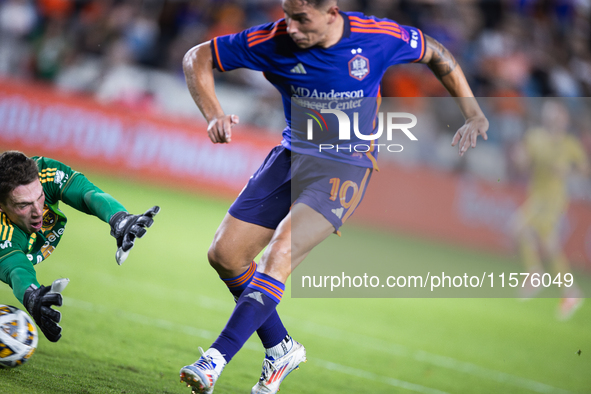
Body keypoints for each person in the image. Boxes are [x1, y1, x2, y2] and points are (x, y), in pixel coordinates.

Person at [179, 1, 489, 393]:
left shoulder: (377, 37)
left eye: (301, 19)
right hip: (292, 156)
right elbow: (198, 56)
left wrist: (473, 112)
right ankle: (281, 348)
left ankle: (214, 359)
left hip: (345, 165)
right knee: (224, 255)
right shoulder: (272, 39)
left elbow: (436, 52)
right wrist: (212, 113)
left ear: (331, 12)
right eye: (287, 15)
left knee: (280, 253)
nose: (290, 27)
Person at [0, 151, 159, 342]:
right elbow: (15, 267)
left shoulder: (45, 172)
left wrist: (118, 217)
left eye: (40, 197)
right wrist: (31, 294)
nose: (37, 210)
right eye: (23, 205)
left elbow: (85, 193)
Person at [513, 99, 589, 319]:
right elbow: (522, 163)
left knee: (520, 228)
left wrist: (568, 171)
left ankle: (535, 274)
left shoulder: (569, 143)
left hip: (554, 198)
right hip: (536, 195)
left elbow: (584, 169)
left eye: (559, 115)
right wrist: (520, 157)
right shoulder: (535, 137)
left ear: (564, 118)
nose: (556, 119)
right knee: (548, 243)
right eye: (552, 115)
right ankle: (570, 292)